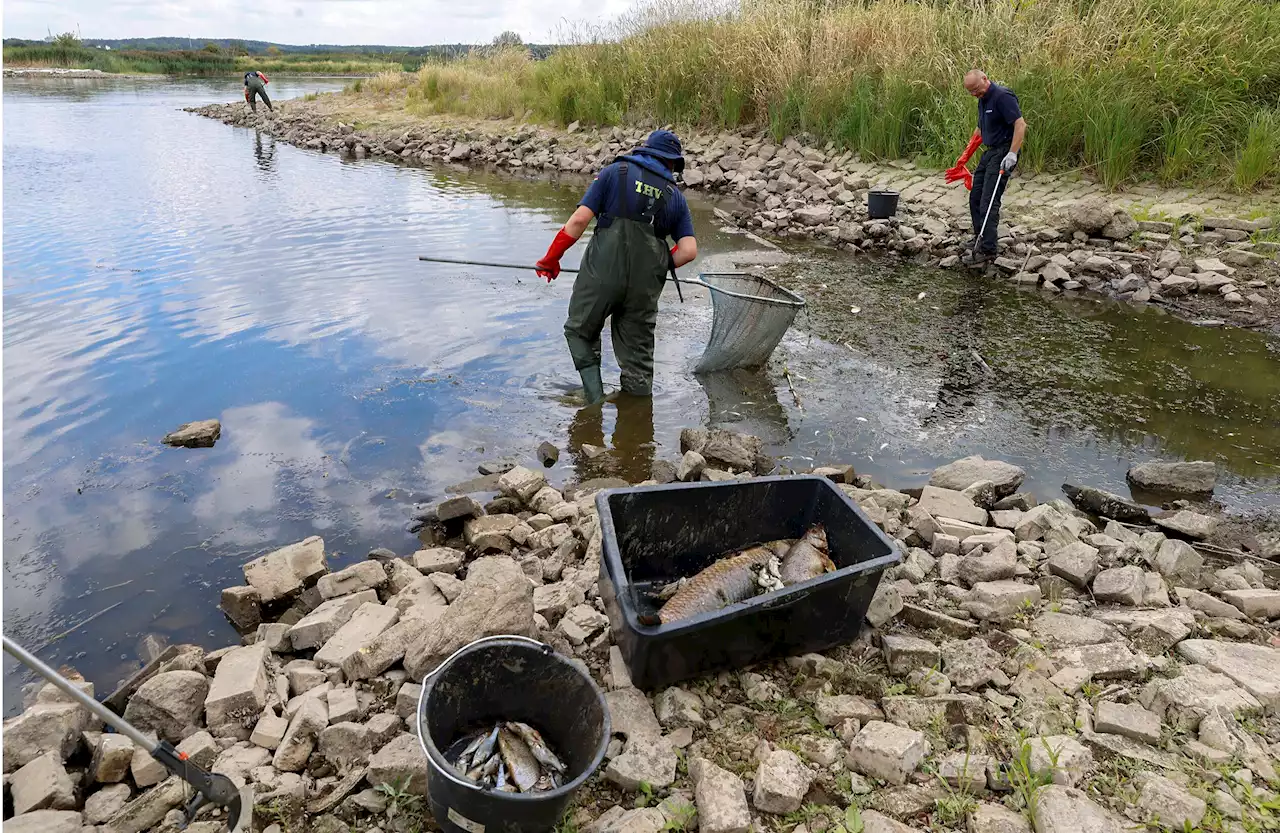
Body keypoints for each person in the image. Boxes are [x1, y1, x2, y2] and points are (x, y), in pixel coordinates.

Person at [535, 129, 697, 404]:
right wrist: (658, 265)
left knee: (580, 331)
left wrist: (551, 259)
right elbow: (689, 251)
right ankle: (637, 431)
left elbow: (578, 222)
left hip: (601, 276)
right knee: (638, 361)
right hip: (644, 288)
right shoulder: (675, 197)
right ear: (672, 163)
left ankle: (594, 399)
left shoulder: (615, 173)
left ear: (645, 152)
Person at [956, 69, 1026, 264]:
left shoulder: (1002, 96)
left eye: (976, 89)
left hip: (1004, 151)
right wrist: (965, 155)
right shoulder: (982, 99)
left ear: (985, 79)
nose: (974, 94)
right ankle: (979, 236)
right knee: (975, 196)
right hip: (990, 152)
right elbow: (980, 128)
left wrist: (1012, 153)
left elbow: (1020, 125)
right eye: (970, 92)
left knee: (989, 200)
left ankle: (988, 249)